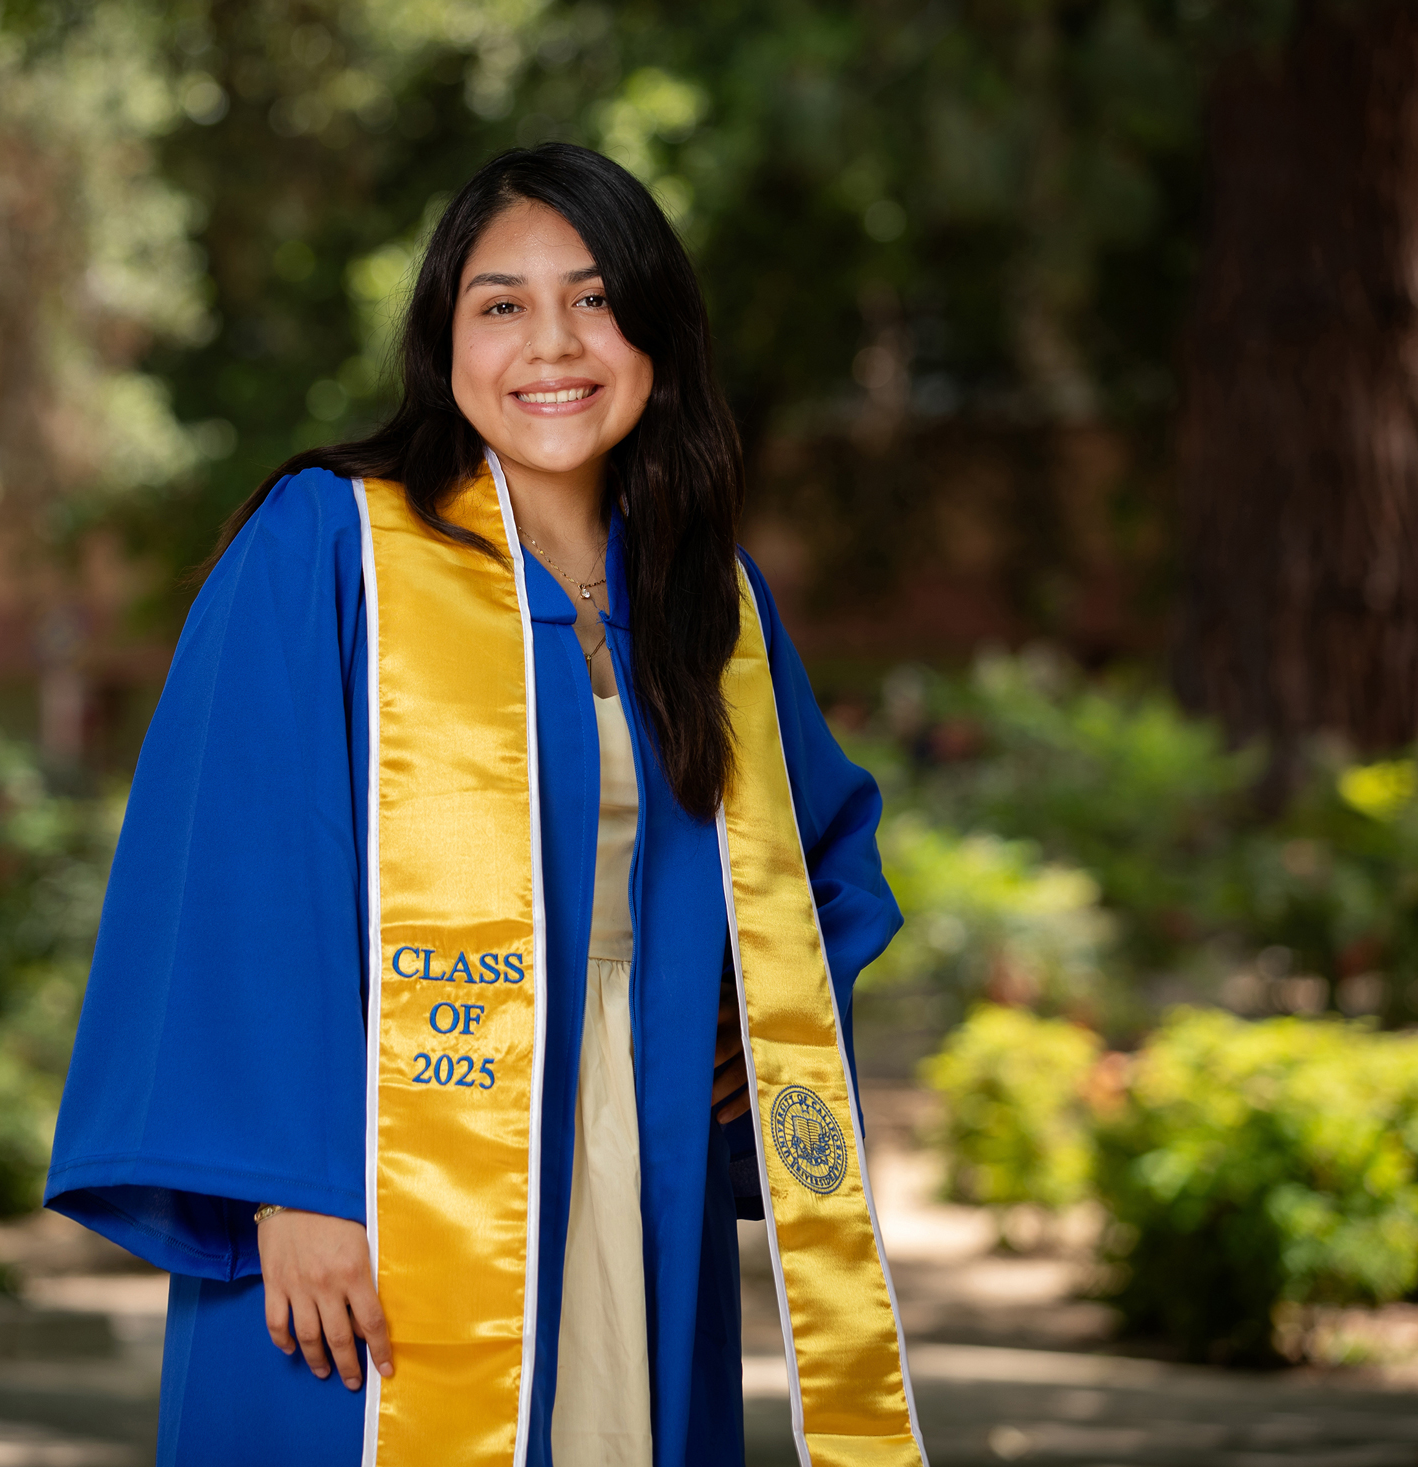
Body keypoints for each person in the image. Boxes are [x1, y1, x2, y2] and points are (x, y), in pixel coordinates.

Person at [46, 143, 905, 1467]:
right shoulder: (335, 544)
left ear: (656, 337)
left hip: (635, 1149)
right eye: (501, 304)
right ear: (443, 337)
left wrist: (759, 1023)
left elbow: (819, 854)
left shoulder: (709, 602)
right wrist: (291, 1189)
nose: (551, 343)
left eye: (597, 298)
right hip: (387, 1167)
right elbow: (235, 867)